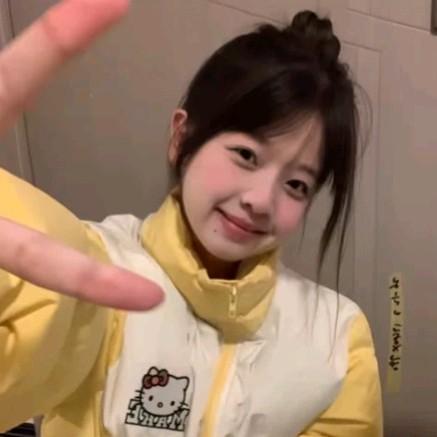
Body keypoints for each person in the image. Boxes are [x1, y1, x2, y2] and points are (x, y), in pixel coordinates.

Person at [0, 1, 382, 436]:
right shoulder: (91, 274)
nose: (261, 201)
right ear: (182, 137)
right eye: (246, 155)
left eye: (296, 184)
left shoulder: (336, 338)